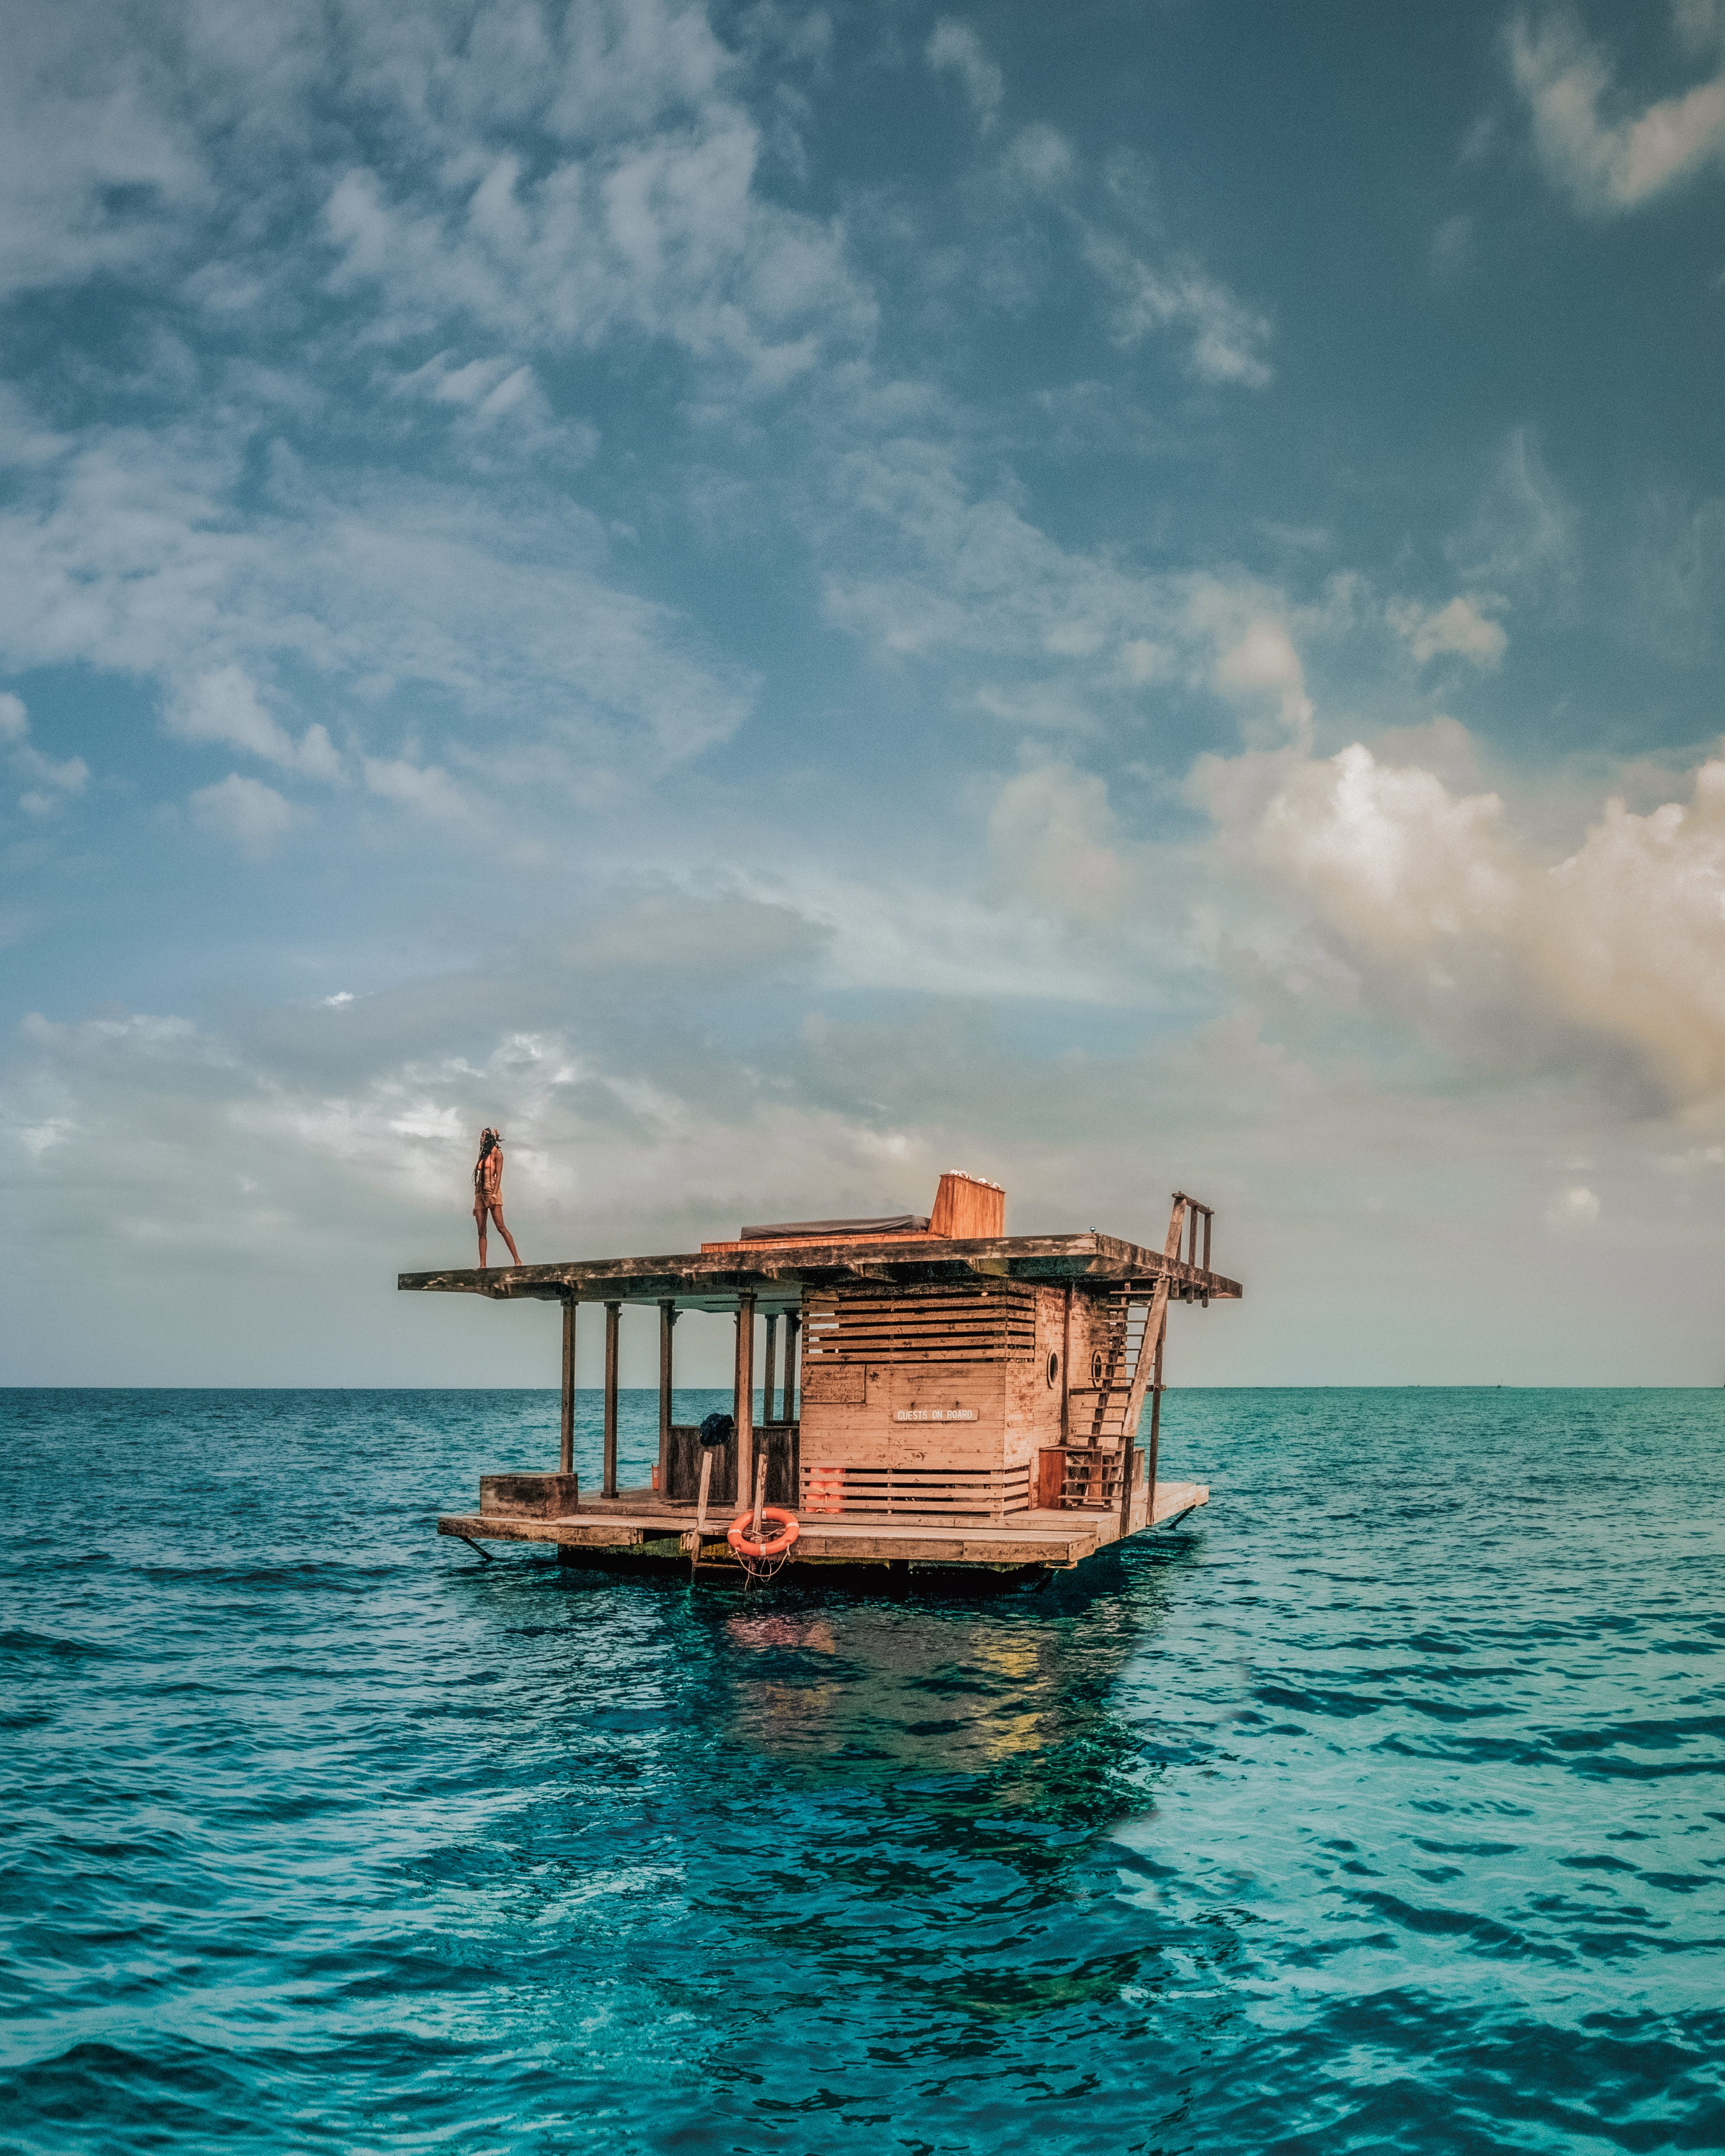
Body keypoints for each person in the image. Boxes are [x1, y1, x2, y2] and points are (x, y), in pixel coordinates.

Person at [472, 1127, 522, 1269]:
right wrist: (475, 1204)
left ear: (489, 1138)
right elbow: (478, 1177)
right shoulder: (483, 1154)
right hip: (480, 1194)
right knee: (481, 1231)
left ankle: (517, 1260)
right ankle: (483, 1266)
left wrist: (494, 1194)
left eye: (483, 1136)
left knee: (501, 1227)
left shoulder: (497, 1154)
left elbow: (499, 1175)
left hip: (492, 1191)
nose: (480, 1138)